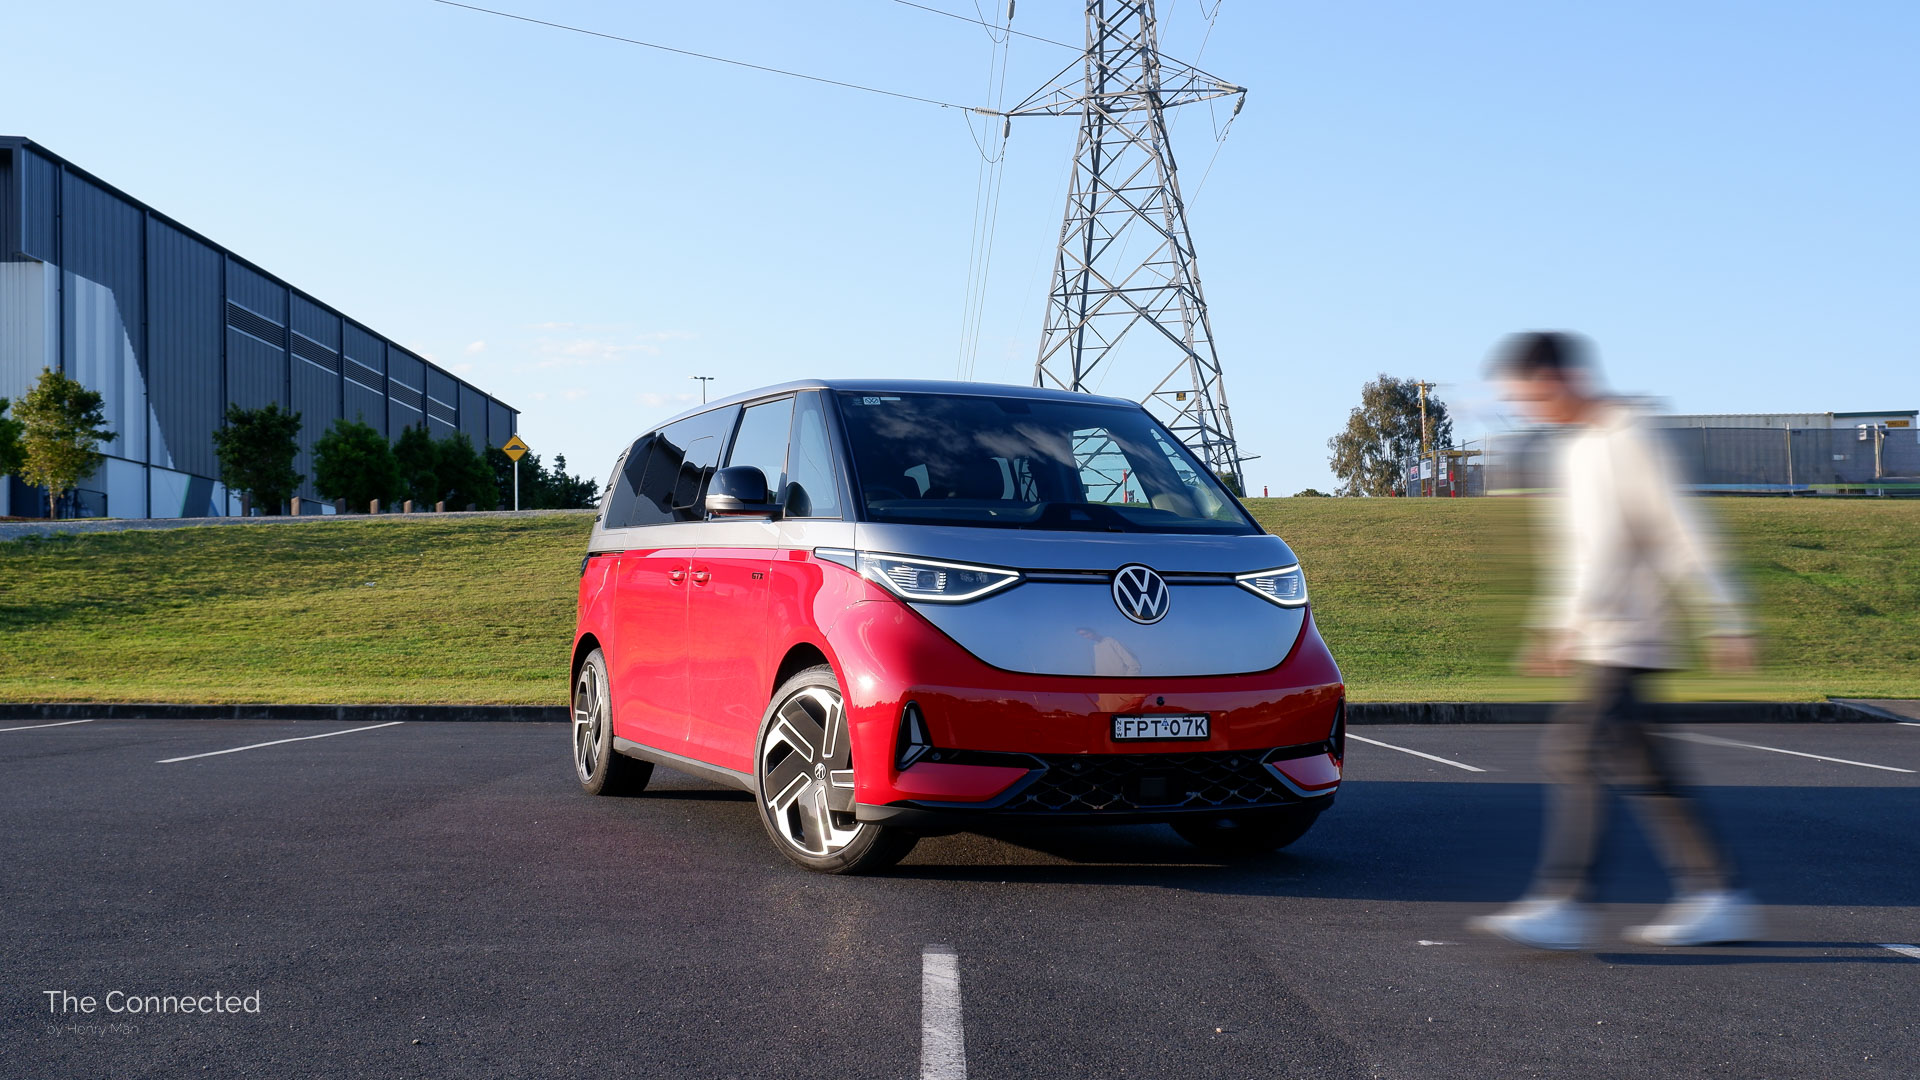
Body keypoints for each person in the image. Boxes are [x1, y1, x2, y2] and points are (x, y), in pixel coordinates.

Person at [1471, 331, 1760, 950]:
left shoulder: (1631, 435)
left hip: (1633, 636)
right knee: (1651, 769)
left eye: (1529, 397)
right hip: (1600, 636)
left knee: (1575, 751)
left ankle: (1570, 901)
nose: (1527, 410)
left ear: (1558, 379)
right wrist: (1555, 626)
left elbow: (1681, 529)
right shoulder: (1576, 450)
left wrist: (1725, 614)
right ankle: (1718, 894)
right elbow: (1579, 558)